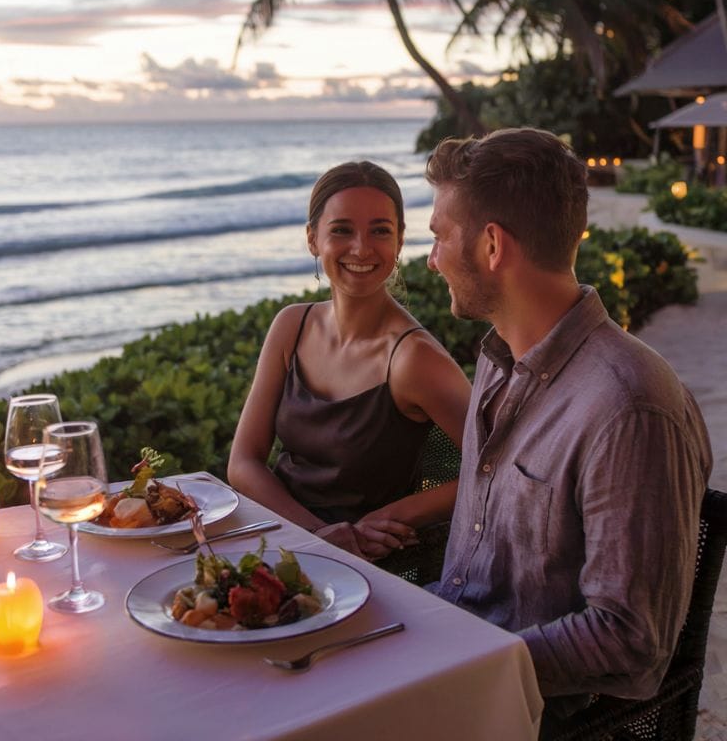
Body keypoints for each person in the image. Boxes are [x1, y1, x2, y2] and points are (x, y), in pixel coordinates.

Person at [423, 129, 712, 730]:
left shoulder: (628, 408)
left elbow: (631, 638)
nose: (431, 259)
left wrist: (455, 668)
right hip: (449, 663)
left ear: (493, 245)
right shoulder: (498, 359)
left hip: (519, 713)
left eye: (439, 237)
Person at [227, 160, 471, 561]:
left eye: (380, 231)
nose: (361, 248)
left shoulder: (414, 359)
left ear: (399, 242)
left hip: (370, 566)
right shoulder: (292, 325)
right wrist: (316, 534)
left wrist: (397, 514)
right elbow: (243, 463)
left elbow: (495, 466)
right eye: (341, 230)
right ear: (312, 239)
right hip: (281, 543)